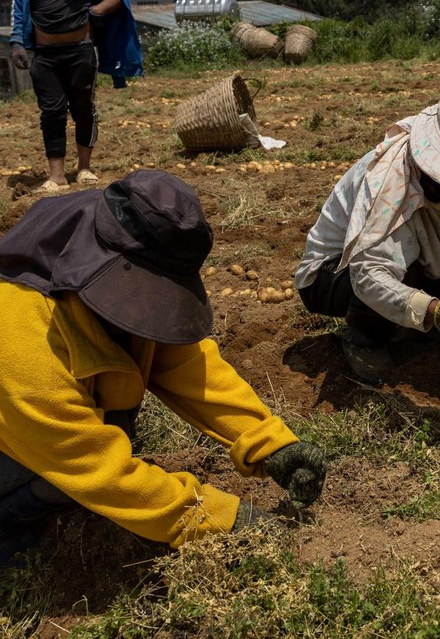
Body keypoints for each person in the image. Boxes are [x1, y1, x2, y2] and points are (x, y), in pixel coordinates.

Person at [0, 169, 326, 566]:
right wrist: (215, 518)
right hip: (22, 431)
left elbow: (185, 362)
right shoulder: (23, 340)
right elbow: (99, 468)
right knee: (77, 463)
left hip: (45, 431)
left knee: (112, 421)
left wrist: (269, 443)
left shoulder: (123, 230)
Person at [294, 93, 440, 392]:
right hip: (333, 275)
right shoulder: (388, 184)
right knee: (406, 268)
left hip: (404, 259)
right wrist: (436, 312)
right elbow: (369, 273)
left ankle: (422, 322)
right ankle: (365, 340)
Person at [9, 0, 143, 193]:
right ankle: (56, 175)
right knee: (52, 111)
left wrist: (96, 11)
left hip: (80, 51)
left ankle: (84, 167)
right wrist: (17, 43)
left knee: (82, 108)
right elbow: (19, 8)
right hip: (45, 55)